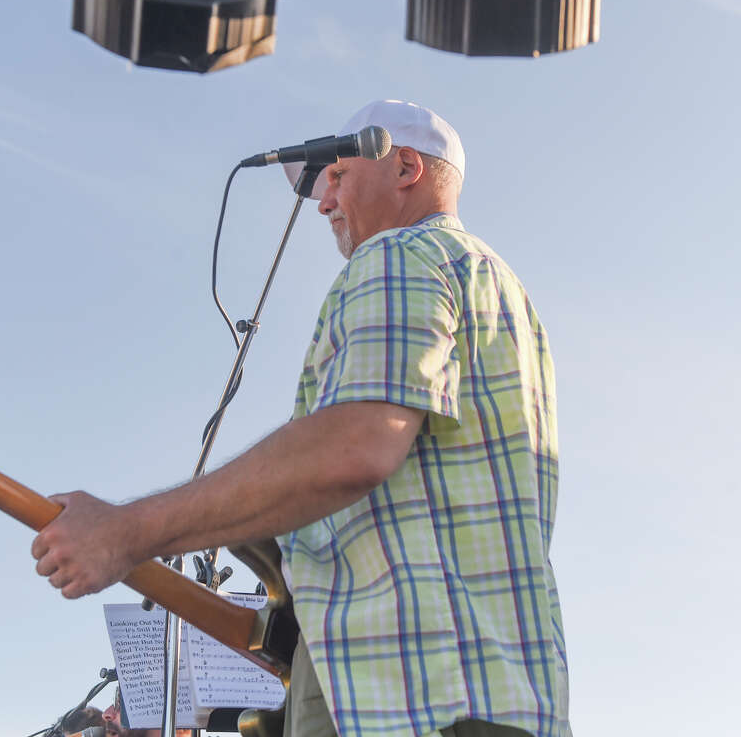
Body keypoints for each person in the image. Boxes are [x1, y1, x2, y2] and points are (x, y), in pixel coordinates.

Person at [31, 100, 570, 737]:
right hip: (497, 694)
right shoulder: (504, 294)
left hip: (406, 701)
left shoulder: (401, 255)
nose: (323, 202)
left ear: (405, 169)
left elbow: (352, 449)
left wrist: (125, 531)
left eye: (337, 176)